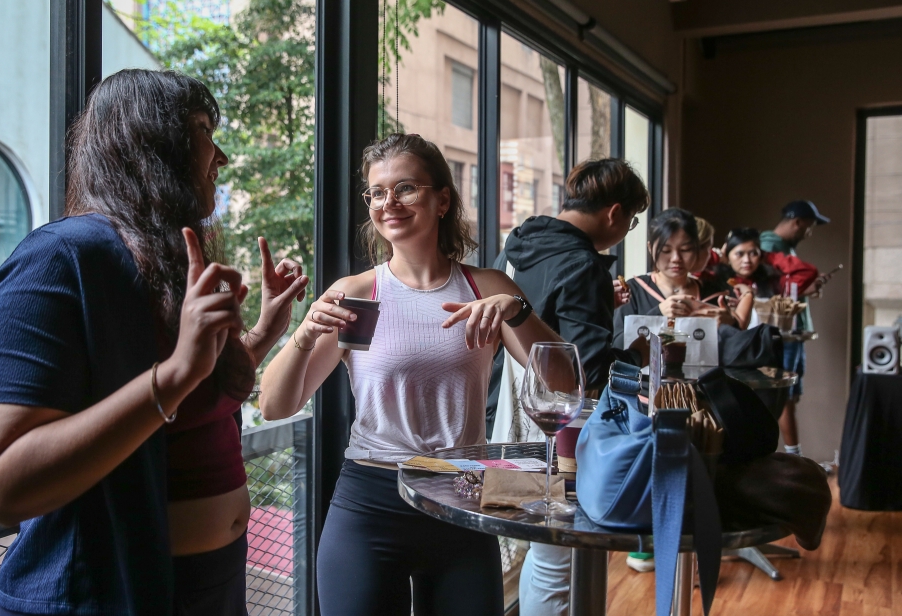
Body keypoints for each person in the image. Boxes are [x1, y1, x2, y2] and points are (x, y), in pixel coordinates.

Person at [0, 69, 307, 616]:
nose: (220, 158)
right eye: (204, 130)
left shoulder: (165, 259)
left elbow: (191, 397)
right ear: (155, 141)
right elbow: (0, 485)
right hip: (106, 597)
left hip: (213, 586)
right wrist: (174, 373)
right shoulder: (58, 258)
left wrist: (265, 330)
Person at [259, 133, 566, 616]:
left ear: (442, 199)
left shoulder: (486, 288)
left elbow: (564, 385)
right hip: (371, 499)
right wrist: (302, 333)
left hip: (463, 493)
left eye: (405, 188)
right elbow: (276, 405)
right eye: (377, 192)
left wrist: (518, 311)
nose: (389, 203)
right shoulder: (358, 294)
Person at [488, 158, 651, 615]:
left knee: (532, 550)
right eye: (632, 221)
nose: (626, 230)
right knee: (556, 555)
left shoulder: (517, 246)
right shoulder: (582, 263)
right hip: (556, 431)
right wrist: (640, 351)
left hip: (502, 416)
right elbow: (588, 370)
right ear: (614, 213)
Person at [760, 200, 830, 457]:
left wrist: (806, 288)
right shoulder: (769, 246)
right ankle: (793, 459)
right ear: (797, 221)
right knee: (784, 396)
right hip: (782, 336)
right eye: (808, 226)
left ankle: (791, 457)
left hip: (794, 334)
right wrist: (803, 287)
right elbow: (768, 290)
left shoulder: (785, 248)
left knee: (791, 396)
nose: (808, 233)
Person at [613, 208, 737, 353]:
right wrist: (658, 314)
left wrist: (731, 325)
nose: (676, 258)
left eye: (685, 250)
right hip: (644, 376)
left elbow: (733, 351)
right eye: (665, 250)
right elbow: (617, 345)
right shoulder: (632, 291)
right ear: (650, 248)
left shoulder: (714, 293)